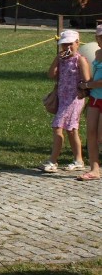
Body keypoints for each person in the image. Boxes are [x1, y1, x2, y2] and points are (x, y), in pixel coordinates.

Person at [39, 30, 88, 173]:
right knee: (71, 130)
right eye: (64, 45)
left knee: (59, 127)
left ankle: (53, 161)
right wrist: (57, 59)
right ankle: (78, 160)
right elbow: (51, 74)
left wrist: (82, 89)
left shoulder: (80, 59)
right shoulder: (62, 60)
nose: (67, 48)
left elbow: (86, 79)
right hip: (63, 98)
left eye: (70, 44)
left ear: (77, 43)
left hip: (74, 99)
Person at [79, 25, 102, 181]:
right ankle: (94, 169)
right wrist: (86, 88)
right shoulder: (97, 53)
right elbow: (95, 77)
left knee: (101, 135)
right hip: (95, 98)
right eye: (99, 36)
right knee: (91, 134)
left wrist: (87, 85)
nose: (100, 39)